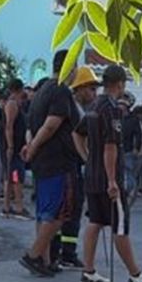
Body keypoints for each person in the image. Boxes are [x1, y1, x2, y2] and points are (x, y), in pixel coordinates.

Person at [74, 65, 142, 282]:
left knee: (95, 221)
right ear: (121, 84)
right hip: (107, 177)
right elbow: (110, 146)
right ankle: (135, 275)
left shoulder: (94, 105)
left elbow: (77, 133)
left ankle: (89, 270)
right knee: (119, 226)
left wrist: (87, 158)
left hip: (92, 175)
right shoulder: (112, 109)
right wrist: (113, 180)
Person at [19, 50, 81, 277]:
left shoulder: (43, 90)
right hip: (58, 161)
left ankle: (44, 260)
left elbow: (31, 125)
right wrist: (33, 147)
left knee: (44, 212)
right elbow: (51, 125)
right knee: (59, 213)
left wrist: (30, 146)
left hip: (42, 162)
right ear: (69, 67)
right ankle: (34, 255)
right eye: (75, 67)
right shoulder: (60, 91)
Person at [51, 66, 99, 270]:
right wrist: (87, 159)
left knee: (72, 210)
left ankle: (65, 251)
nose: (94, 94)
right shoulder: (74, 108)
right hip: (70, 165)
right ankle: (64, 253)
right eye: (91, 88)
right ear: (79, 88)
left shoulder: (81, 109)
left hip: (73, 165)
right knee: (68, 210)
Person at [2, 79, 32, 219]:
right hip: (13, 148)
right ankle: (17, 207)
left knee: (12, 176)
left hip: (18, 145)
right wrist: (10, 145)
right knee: (15, 176)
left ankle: (7, 206)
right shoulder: (12, 104)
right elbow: (9, 126)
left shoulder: (17, 104)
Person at [120, 93, 142, 205]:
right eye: (120, 103)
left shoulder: (133, 119)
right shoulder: (112, 116)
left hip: (127, 150)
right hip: (114, 150)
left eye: (123, 104)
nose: (121, 106)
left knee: (129, 173)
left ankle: (127, 192)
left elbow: (138, 134)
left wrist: (136, 148)